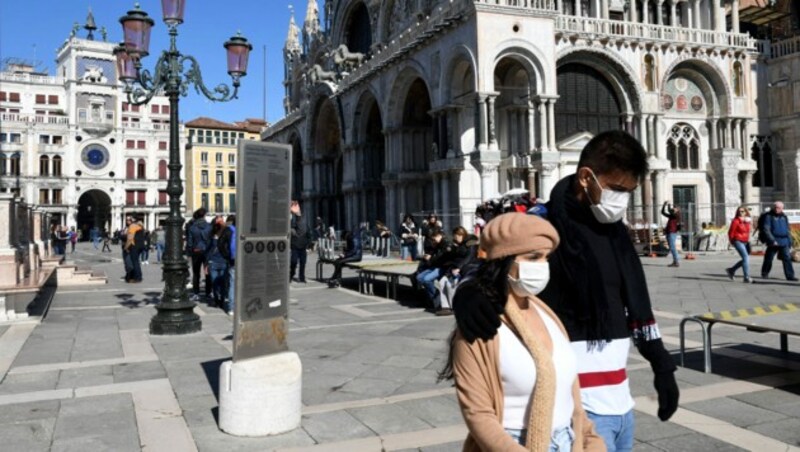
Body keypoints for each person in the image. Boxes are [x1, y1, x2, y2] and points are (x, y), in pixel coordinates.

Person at [453, 130, 679, 452]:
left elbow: (633, 299)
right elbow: (490, 257)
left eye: (629, 191)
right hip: (574, 401)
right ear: (586, 177)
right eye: (616, 188)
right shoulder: (543, 221)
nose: (622, 199)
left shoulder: (615, 232)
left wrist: (660, 362)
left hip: (618, 396)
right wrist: (468, 291)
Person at [441, 213, 604, 451]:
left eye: (546, 258)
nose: (543, 266)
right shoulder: (479, 326)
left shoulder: (549, 315)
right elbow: (478, 415)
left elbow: (572, 396)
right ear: (504, 260)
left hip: (569, 441)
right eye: (533, 257)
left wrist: (591, 440)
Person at [435, 227, 475, 316]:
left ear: (462, 235)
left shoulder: (470, 242)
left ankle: (454, 307)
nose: (456, 238)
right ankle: (445, 307)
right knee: (441, 282)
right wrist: (453, 248)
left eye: (458, 236)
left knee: (450, 285)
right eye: (455, 236)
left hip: (466, 268)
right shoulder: (456, 244)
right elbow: (453, 257)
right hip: (453, 268)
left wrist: (459, 268)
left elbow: (469, 258)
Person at [760, 201, 798, 281]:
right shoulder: (769, 216)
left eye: (779, 208)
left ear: (782, 208)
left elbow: (787, 229)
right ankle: (765, 273)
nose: (777, 209)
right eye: (776, 207)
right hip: (773, 241)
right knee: (769, 258)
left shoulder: (784, 217)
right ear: (773, 207)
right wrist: (772, 240)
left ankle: (790, 276)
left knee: (787, 258)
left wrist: (790, 241)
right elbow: (766, 229)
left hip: (784, 241)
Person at [415, 228, 448, 306]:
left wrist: (431, 258)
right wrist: (428, 256)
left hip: (442, 267)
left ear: (440, 236)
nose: (434, 240)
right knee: (419, 277)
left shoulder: (446, 244)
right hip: (434, 265)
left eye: (435, 238)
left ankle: (435, 297)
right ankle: (433, 295)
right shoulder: (437, 244)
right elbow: (433, 253)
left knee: (426, 279)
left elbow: (441, 257)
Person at [187, 208, 212, 300]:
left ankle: (196, 293)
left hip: (196, 251)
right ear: (204, 215)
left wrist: (190, 252)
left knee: (196, 273)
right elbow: (211, 240)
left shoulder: (192, 227)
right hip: (207, 251)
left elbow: (189, 242)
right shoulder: (209, 226)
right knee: (207, 272)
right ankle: (208, 292)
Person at [726, 206, 753, 283]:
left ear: (746, 212)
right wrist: (731, 242)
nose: (741, 213)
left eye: (743, 211)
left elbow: (749, 231)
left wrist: (749, 222)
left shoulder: (747, 221)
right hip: (737, 240)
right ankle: (746, 277)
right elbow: (730, 232)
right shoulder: (735, 221)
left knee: (745, 259)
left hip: (745, 241)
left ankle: (731, 270)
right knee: (746, 257)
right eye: (739, 211)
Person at [207, 221, 229, 308]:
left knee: (218, 283)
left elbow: (208, 251)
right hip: (218, 262)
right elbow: (208, 251)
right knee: (219, 283)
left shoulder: (216, 239)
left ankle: (219, 300)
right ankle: (219, 300)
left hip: (217, 262)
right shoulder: (214, 240)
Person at [217, 215, 236, 315]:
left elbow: (220, 244)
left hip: (233, 260)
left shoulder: (228, 230)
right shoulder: (245, 229)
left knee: (232, 283)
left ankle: (231, 308)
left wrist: (227, 256)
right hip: (245, 260)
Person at [290, 200, 310, 283]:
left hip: (302, 246)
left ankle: (302, 277)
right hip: (295, 245)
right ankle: (291, 273)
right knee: (294, 261)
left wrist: (309, 245)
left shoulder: (303, 222)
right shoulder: (293, 222)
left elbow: (308, 233)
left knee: (303, 262)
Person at [661, 201, 681, 267]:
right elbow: (663, 212)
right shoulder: (672, 215)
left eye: (675, 207)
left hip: (672, 232)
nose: (673, 208)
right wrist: (664, 205)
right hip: (669, 232)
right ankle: (675, 261)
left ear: (678, 209)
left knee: (672, 248)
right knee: (672, 247)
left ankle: (676, 262)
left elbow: (670, 211)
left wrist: (669, 205)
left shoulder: (676, 215)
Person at [125, 217, 144, 283]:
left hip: (134, 246)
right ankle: (139, 276)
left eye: (128, 220)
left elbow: (130, 238)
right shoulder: (139, 227)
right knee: (137, 262)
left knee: (135, 262)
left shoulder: (132, 227)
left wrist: (126, 247)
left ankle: (137, 278)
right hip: (140, 246)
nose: (127, 221)